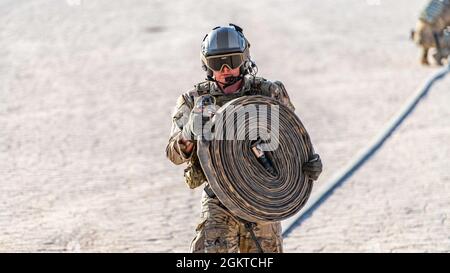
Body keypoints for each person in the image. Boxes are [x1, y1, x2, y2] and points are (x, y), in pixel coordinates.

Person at [165, 24, 323, 253]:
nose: (226, 69)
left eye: (232, 60)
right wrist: (189, 133)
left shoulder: (268, 94)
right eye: (217, 63)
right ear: (206, 65)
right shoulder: (194, 100)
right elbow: (173, 155)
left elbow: (292, 139)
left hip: (263, 197)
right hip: (218, 197)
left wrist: (307, 165)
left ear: (245, 59)